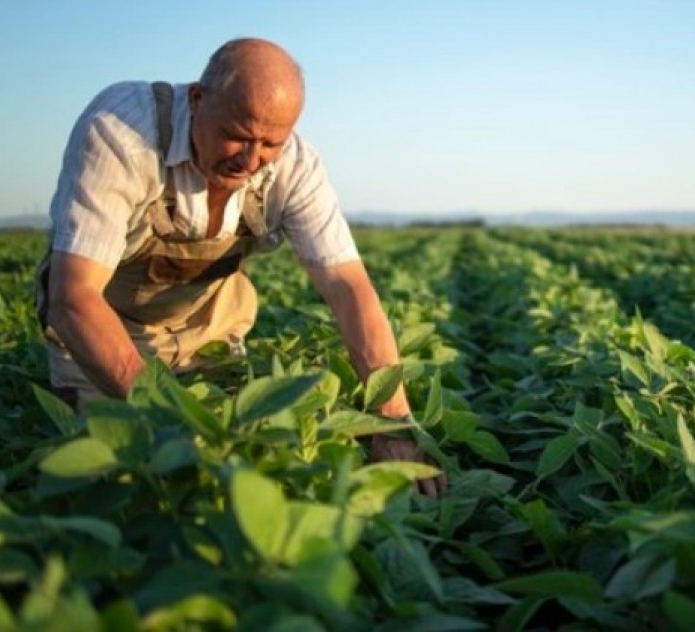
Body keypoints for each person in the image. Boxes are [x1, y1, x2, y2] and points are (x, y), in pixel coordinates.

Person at [34, 37, 445, 497]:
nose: (251, 160)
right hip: (104, 334)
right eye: (238, 134)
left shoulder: (295, 166)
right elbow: (73, 300)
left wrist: (391, 426)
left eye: (271, 142)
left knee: (255, 469)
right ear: (196, 99)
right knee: (121, 477)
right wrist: (176, 422)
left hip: (210, 333)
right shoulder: (121, 132)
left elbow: (349, 289)